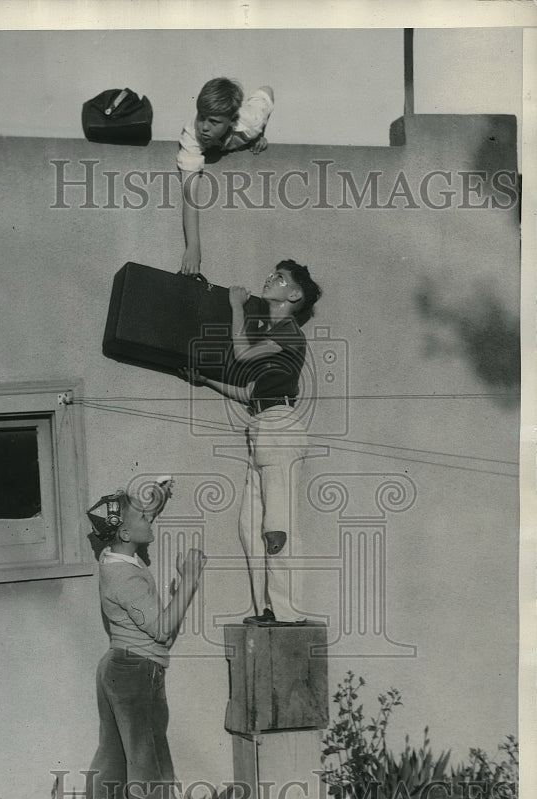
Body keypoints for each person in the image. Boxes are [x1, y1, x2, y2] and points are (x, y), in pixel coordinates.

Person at [181, 259, 322, 625]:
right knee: (250, 526)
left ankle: (288, 614)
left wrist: (235, 306)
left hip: (280, 428)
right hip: (261, 426)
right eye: (271, 273)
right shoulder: (272, 337)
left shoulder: (290, 332)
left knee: (277, 526)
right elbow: (249, 392)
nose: (269, 278)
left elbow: (241, 354)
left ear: (294, 295)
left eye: (280, 278)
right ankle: (267, 610)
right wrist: (206, 381)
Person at [86, 481, 206, 799]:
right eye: (143, 515)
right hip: (137, 674)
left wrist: (158, 491)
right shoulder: (125, 577)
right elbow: (163, 630)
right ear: (123, 530)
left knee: (114, 761)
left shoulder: (117, 557)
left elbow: (140, 507)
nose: (151, 517)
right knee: (151, 768)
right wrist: (189, 580)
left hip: (121, 667)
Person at [177, 78, 274, 276]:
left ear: (231, 119)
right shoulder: (191, 134)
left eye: (214, 122)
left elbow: (266, 89)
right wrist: (193, 247)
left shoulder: (251, 120)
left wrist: (260, 135)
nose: (204, 127)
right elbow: (189, 194)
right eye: (201, 117)